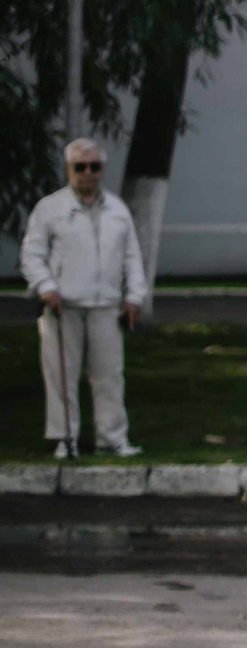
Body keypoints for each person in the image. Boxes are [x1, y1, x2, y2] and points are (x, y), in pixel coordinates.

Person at [19, 138, 148, 459]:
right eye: (80, 167)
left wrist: (134, 296)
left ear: (102, 170)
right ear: (69, 169)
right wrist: (46, 287)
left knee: (109, 375)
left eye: (94, 166)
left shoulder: (117, 210)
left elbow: (132, 257)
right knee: (61, 374)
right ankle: (66, 439)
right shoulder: (50, 208)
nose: (88, 173)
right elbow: (32, 253)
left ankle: (113, 439)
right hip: (63, 306)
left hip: (106, 306)